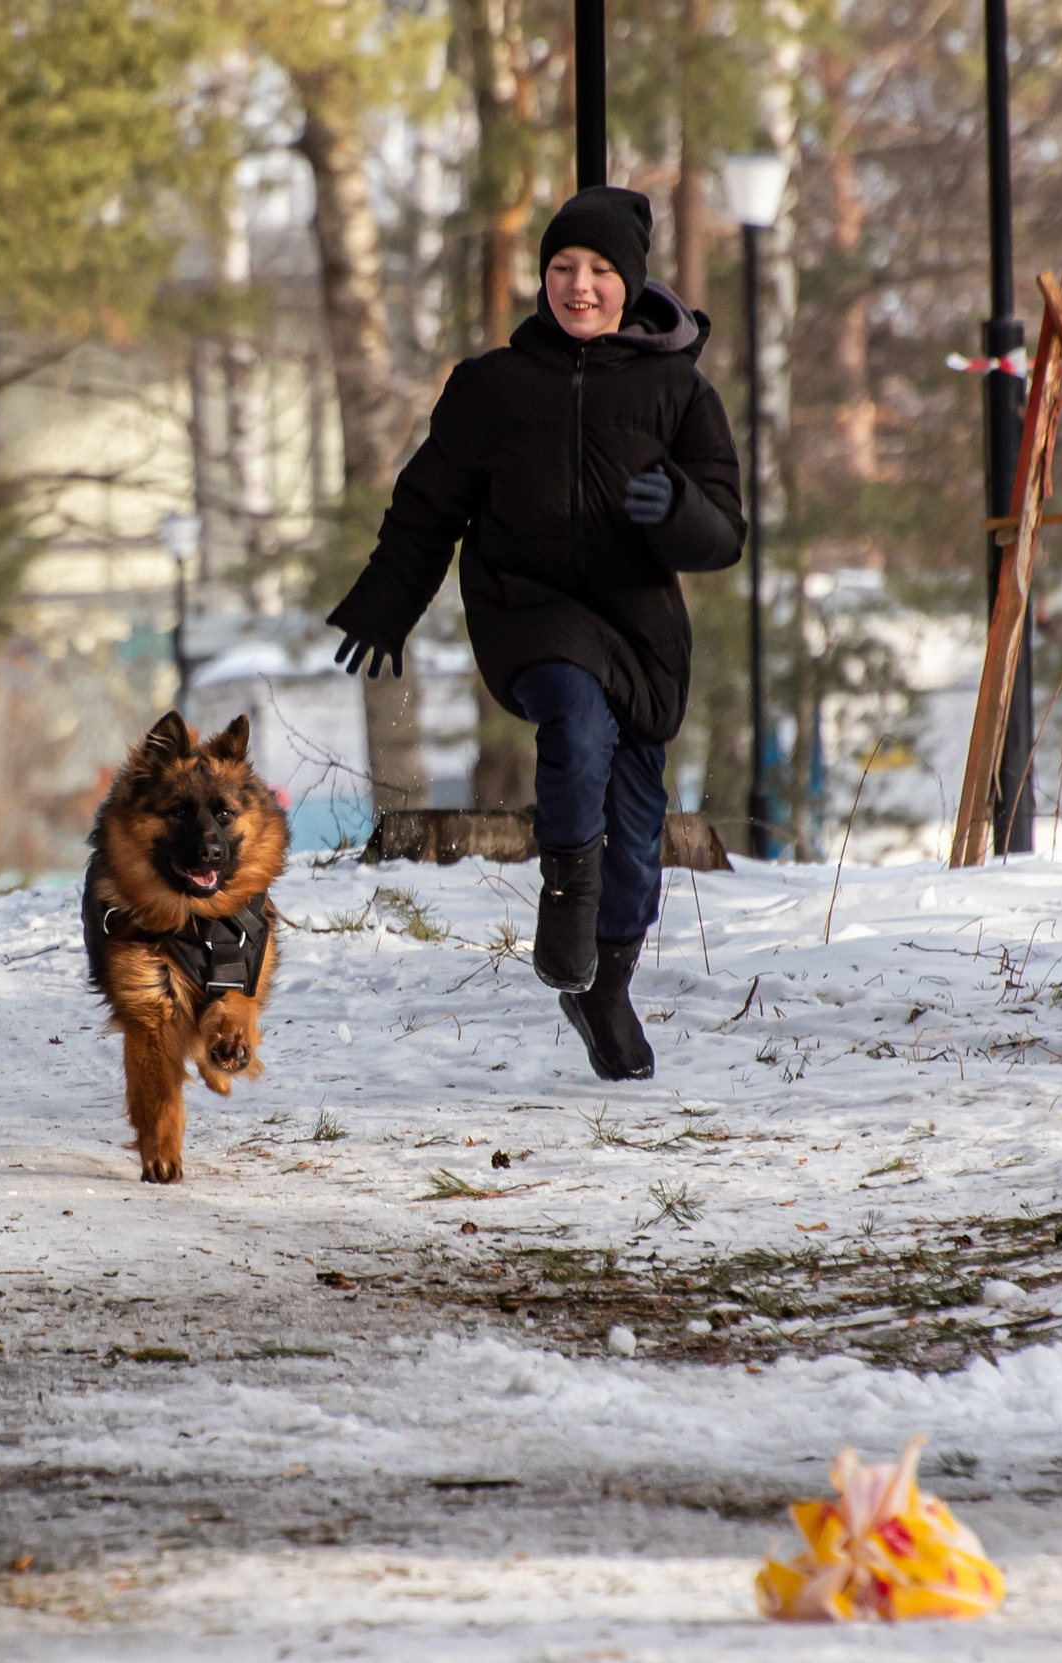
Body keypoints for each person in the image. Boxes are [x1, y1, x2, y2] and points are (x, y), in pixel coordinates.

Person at [325, 187, 746, 1080]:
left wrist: (675, 510)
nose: (579, 286)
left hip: (639, 629)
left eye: (598, 271)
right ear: (542, 277)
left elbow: (725, 530)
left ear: (629, 285)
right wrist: (385, 601)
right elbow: (428, 504)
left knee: (637, 824)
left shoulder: (678, 392)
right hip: (529, 607)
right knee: (573, 718)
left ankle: (605, 984)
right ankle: (566, 898)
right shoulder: (495, 388)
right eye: (562, 268)